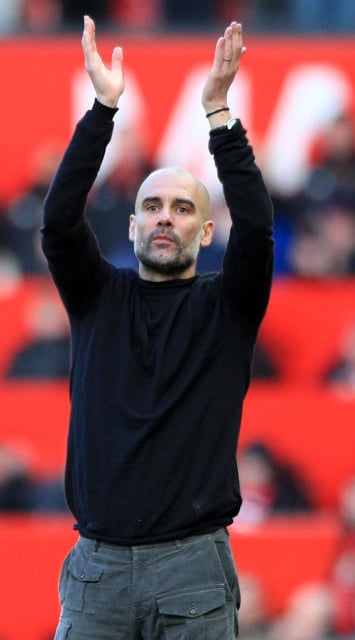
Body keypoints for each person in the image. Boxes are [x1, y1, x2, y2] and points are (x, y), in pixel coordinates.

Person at [44, 18, 273, 636]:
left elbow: (256, 228)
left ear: (206, 231)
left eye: (181, 208)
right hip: (98, 568)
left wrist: (219, 114)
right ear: (131, 227)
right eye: (151, 206)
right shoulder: (96, 297)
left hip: (191, 568)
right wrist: (102, 112)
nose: (163, 218)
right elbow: (59, 223)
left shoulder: (228, 306)